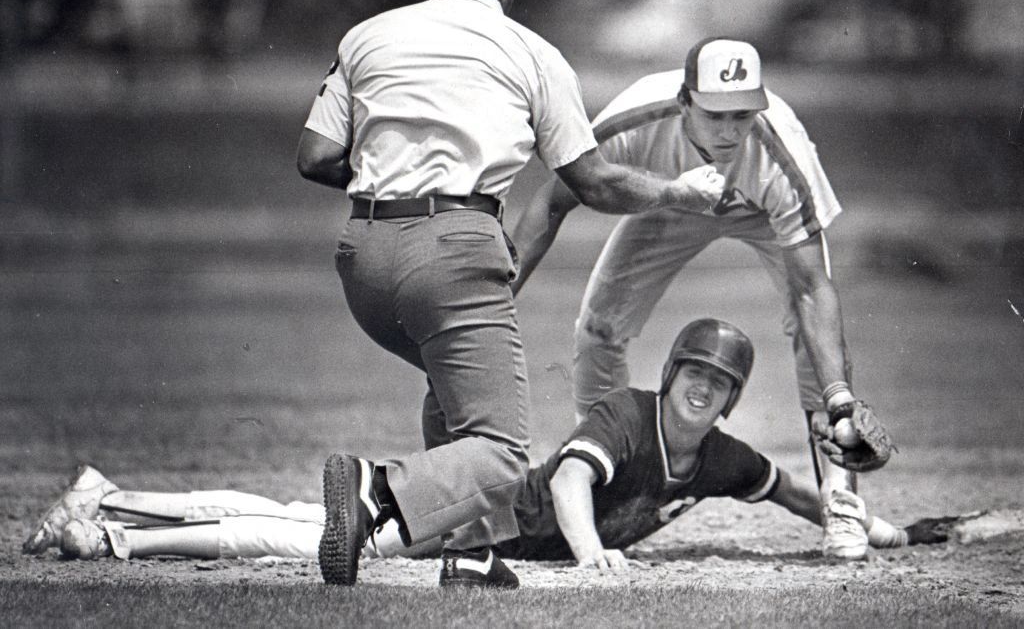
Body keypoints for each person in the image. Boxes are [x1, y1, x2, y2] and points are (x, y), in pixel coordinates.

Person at [293, 0, 726, 588]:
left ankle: (472, 552)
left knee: (455, 393)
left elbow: (316, 157)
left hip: (363, 257)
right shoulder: (532, 53)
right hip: (458, 250)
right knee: (500, 447)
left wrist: (391, 177)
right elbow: (592, 181)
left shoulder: (367, 36)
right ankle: (376, 489)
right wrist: (675, 192)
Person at [26, 320, 929, 570]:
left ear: (732, 396)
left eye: (718, 383)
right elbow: (574, 482)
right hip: (483, 517)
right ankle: (113, 528)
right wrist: (592, 559)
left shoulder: (724, 456)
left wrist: (864, 522)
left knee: (299, 525)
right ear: (675, 369)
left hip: (493, 531)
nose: (701, 387)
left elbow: (789, 491)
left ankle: (111, 504)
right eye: (692, 371)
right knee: (300, 539)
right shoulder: (627, 412)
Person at [509, 37, 893, 561]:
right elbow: (552, 204)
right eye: (716, 115)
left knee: (815, 340)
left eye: (743, 114)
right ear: (683, 100)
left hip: (760, 213)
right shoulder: (635, 120)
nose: (732, 130)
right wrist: (502, 297)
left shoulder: (780, 151)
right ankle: (608, 465)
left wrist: (840, 398)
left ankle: (841, 501)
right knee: (599, 326)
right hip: (670, 199)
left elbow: (811, 288)